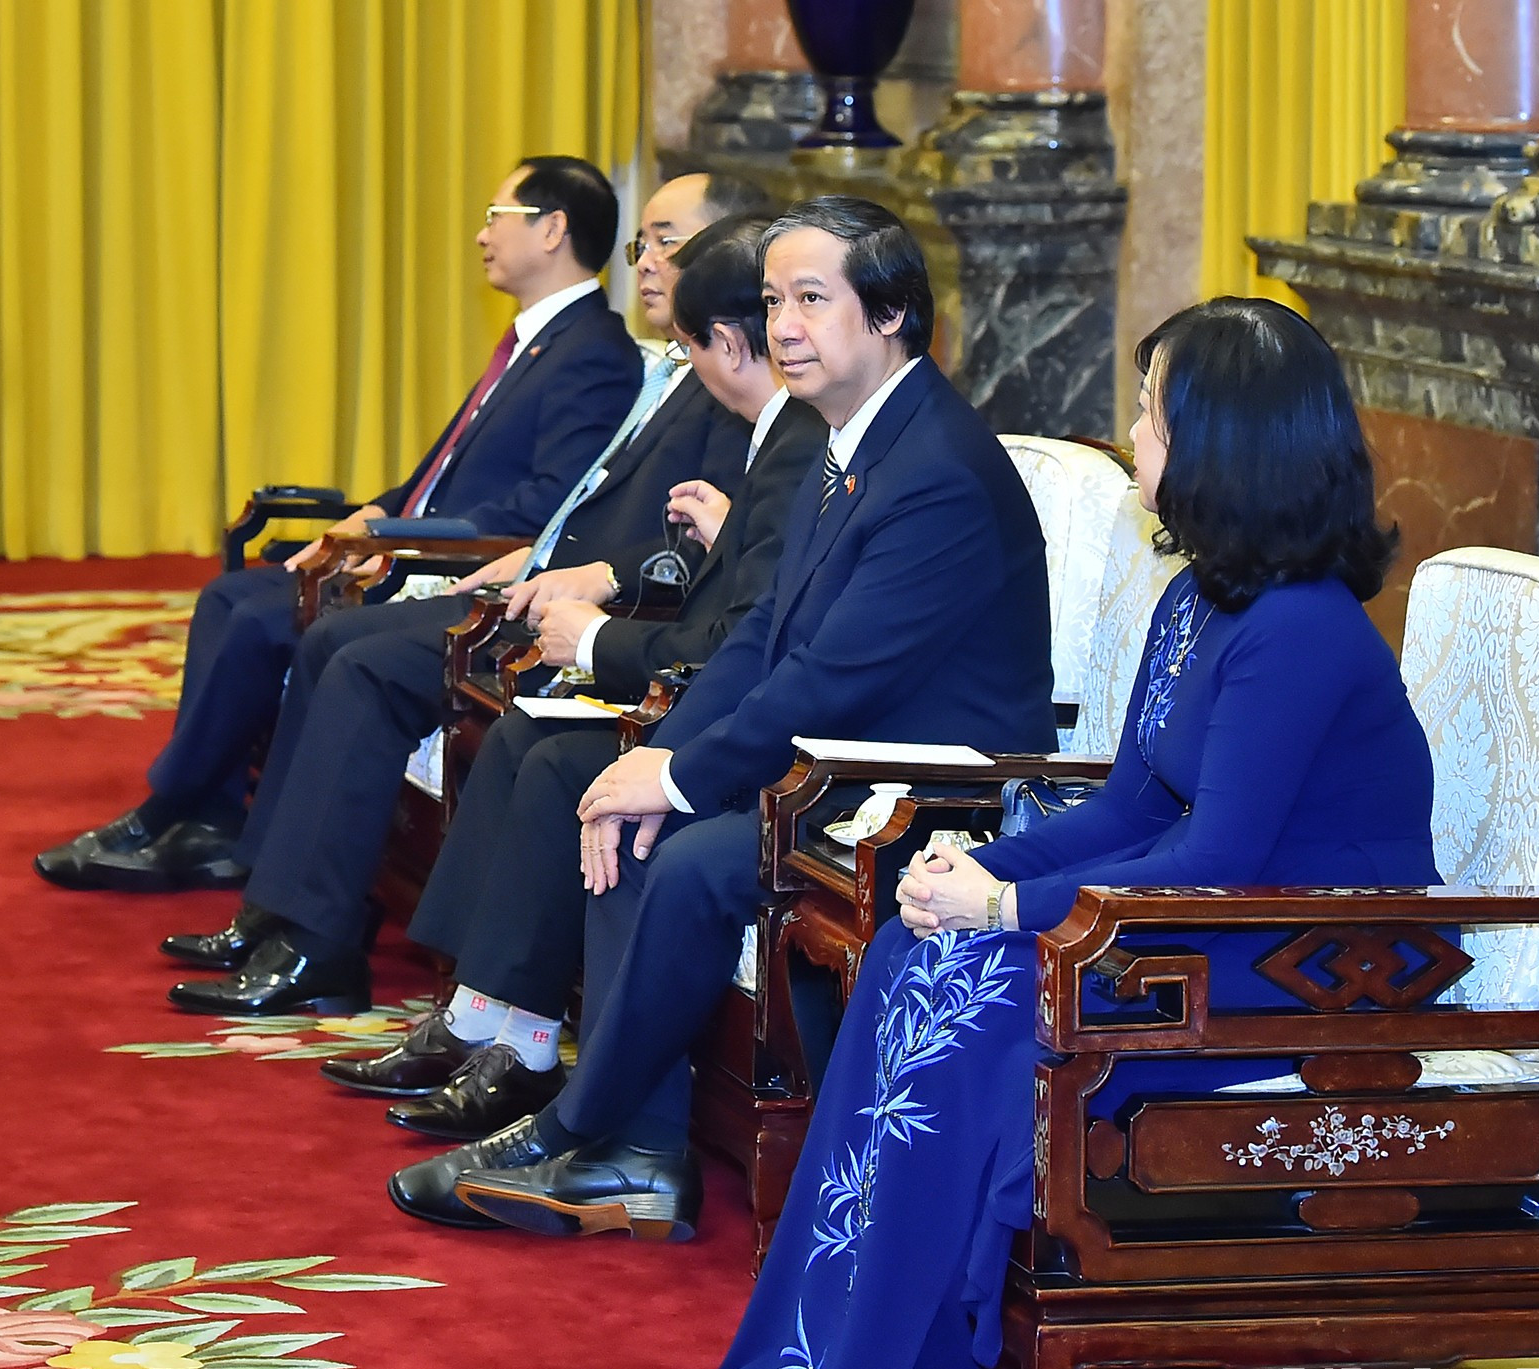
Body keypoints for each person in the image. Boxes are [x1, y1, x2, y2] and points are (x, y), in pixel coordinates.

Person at [697, 296, 1439, 1369]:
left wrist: (1007, 909)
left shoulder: (1300, 628)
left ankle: (909, 1349)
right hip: (1200, 919)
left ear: (1220, 446)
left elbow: (1219, 861)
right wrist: (980, 867)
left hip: (1313, 956)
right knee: (914, 950)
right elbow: (1133, 810)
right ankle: (870, 1343)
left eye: (1149, 416)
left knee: (978, 996)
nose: (1132, 439)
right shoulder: (1201, 596)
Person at [387, 195, 1058, 1232]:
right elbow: (760, 642)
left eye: (811, 299)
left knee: (683, 845)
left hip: (926, 793)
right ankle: (639, 1156)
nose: (783, 325)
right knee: (624, 808)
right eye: (775, 300)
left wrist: (684, 775)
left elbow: (831, 676)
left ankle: (582, 1131)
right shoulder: (848, 436)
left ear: (887, 314)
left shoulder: (935, 469)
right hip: (838, 763)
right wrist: (656, 760)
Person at [158, 174, 764, 1016]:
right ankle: (279, 908)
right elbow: (593, 496)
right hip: (535, 578)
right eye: (644, 244)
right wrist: (531, 550)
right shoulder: (675, 368)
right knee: (332, 640)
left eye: (667, 240)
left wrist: (594, 573)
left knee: (362, 662)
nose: (648, 263)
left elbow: (708, 540)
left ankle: (317, 940)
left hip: (597, 611)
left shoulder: (739, 387)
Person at [318, 214, 826, 1140]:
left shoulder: (796, 439)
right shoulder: (785, 435)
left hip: (764, 728)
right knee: (526, 735)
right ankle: (487, 1018)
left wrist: (596, 645)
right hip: (709, 679)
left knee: (556, 758)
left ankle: (521, 1046)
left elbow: (745, 635)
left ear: (719, 344)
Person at [35, 155, 643, 892]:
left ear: (552, 230)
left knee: (262, 618)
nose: (481, 235)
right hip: (410, 544)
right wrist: (380, 510)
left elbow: (543, 505)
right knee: (233, 598)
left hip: (448, 566)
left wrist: (391, 539)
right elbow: (441, 471)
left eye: (496, 216)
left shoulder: (594, 353)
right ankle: (205, 819)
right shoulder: (531, 342)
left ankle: (176, 809)